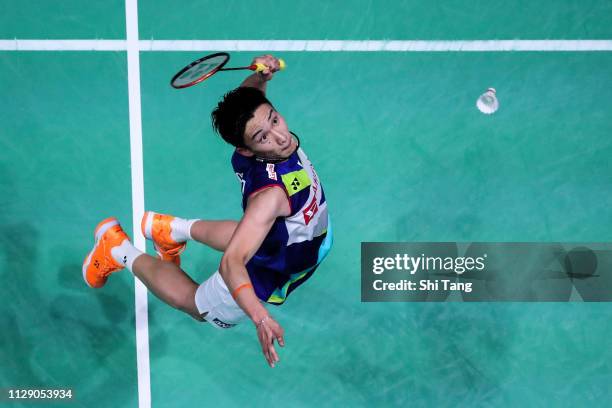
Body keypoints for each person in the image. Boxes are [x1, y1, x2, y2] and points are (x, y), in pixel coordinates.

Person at [82, 55, 332, 368]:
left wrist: (261, 79)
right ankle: (117, 248)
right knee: (196, 304)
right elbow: (232, 263)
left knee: (257, 235)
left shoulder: (258, 136)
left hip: (284, 241)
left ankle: (173, 230)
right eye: (263, 137)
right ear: (246, 150)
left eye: (275, 119)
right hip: (261, 274)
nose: (280, 136)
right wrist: (259, 316)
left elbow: (253, 107)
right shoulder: (270, 197)